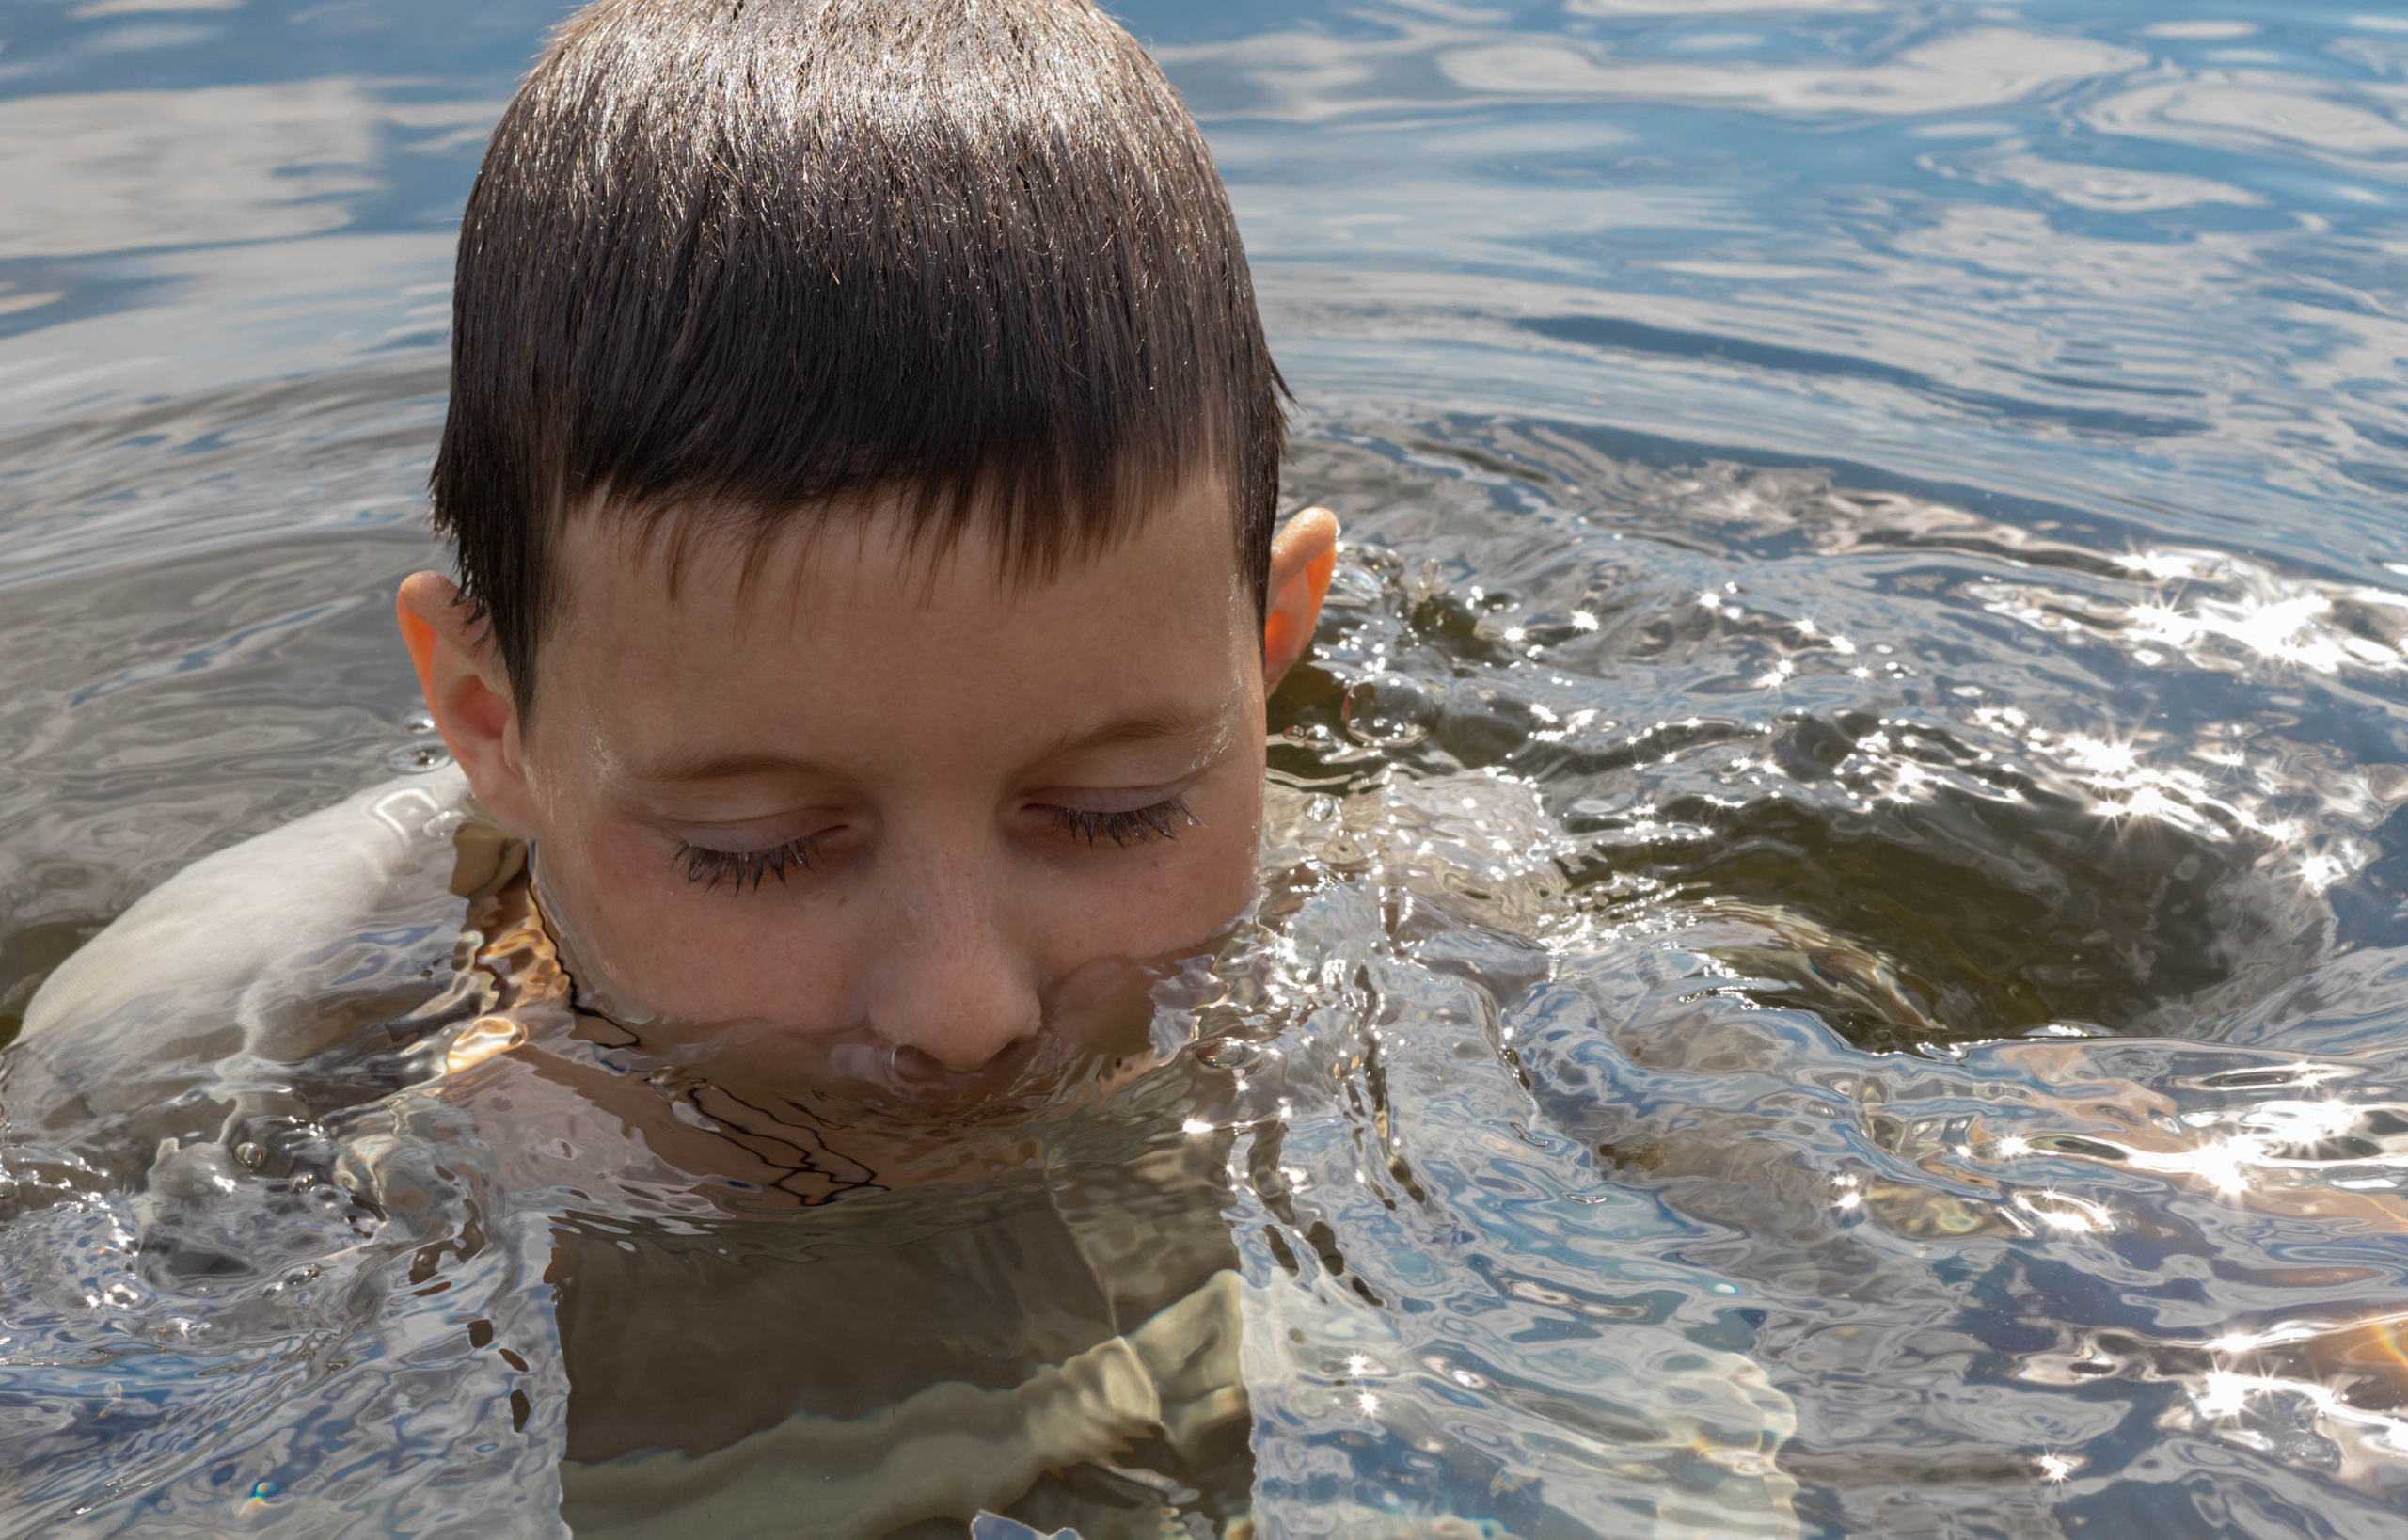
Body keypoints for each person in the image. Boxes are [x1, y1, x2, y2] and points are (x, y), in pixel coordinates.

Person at [10, 1, 1799, 1534]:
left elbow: (1826, 1211)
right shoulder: (239, 1052)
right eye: (758, 846)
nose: (961, 1009)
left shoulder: (1433, 910)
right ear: (492, 725)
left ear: (1267, 649)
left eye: (1114, 811)